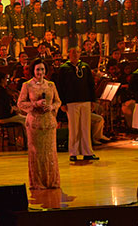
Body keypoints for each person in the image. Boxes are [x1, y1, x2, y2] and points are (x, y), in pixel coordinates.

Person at [17, 59, 61, 189]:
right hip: (35, 124)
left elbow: (58, 101)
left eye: (42, 69)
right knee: (36, 153)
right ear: (33, 71)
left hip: (49, 123)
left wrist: (51, 107)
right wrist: (36, 104)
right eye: (37, 69)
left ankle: (51, 181)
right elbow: (20, 104)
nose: (40, 72)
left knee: (50, 152)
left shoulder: (51, 85)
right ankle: (38, 182)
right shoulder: (27, 85)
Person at [58, 47, 99, 162]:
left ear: (80, 54)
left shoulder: (85, 67)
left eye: (77, 52)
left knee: (85, 127)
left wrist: (93, 100)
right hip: (71, 102)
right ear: (69, 54)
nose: (75, 54)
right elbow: (60, 86)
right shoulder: (64, 68)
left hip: (85, 100)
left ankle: (87, 152)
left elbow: (91, 84)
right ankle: (73, 152)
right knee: (74, 128)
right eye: (73, 53)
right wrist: (62, 102)